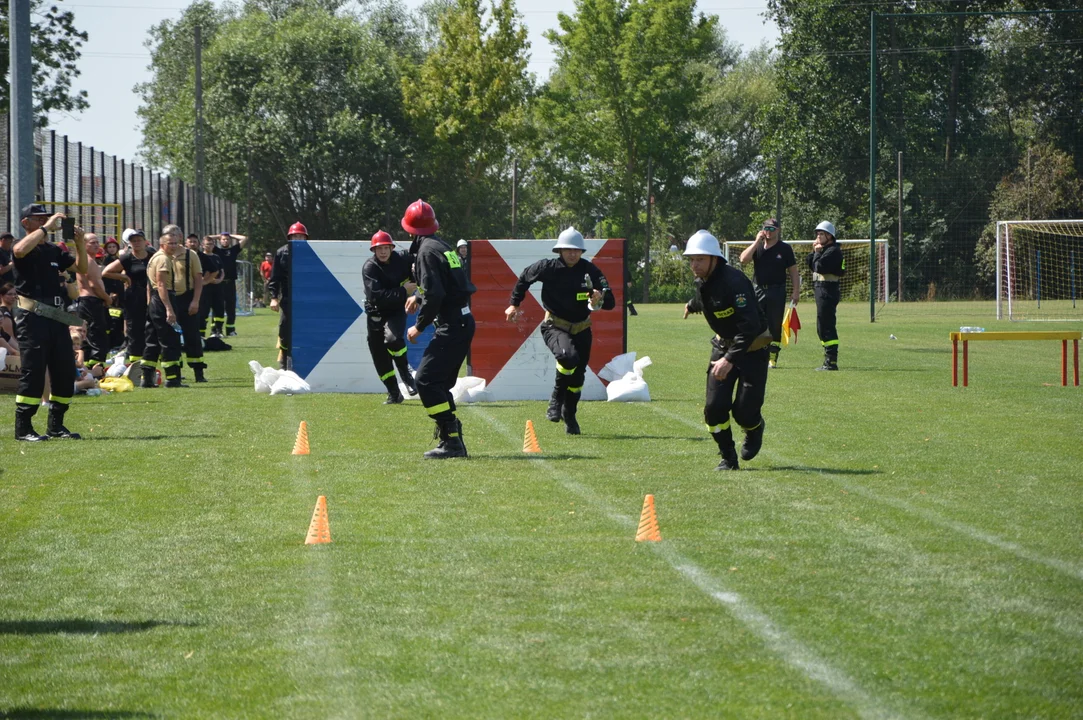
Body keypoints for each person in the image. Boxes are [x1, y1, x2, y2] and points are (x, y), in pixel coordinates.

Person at [505, 227, 615, 434]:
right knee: (567, 356)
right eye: (567, 250)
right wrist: (514, 304)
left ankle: (570, 414)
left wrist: (600, 299)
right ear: (560, 251)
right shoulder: (547, 267)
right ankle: (556, 399)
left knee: (578, 377)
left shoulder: (591, 270)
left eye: (576, 250)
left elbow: (610, 302)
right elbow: (524, 279)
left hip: (582, 328)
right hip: (554, 325)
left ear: (582, 251)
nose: (572, 254)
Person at [682, 229, 771, 471]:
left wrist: (729, 359)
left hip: (752, 349)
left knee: (744, 412)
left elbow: (750, 326)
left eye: (700, 259)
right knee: (713, 408)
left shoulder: (735, 282)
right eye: (691, 259)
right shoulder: (703, 282)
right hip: (723, 347)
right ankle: (728, 457)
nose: (694, 265)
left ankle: (754, 428)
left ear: (714, 259)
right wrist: (692, 305)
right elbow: (707, 300)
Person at [402, 199, 475, 459]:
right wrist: (419, 298)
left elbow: (435, 294)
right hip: (462, 322)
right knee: (439, 382)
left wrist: (419, 327)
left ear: (410, 230)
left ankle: (452, 440)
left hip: (453, 325)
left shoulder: (425, 252)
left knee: (425, 380)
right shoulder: (442, 247)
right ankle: (452, 436)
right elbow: (444, 287)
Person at [10, 203, 89, 441]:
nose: (47, 221)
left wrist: (80, 244)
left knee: (65, 370)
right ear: (26, 223)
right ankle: (23, 428)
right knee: (34, 371)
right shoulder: (22, 246)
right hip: (32, 316)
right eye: (40, 218)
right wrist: (46, 227)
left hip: (56, 315)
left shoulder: (54, 250)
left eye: (47, 217)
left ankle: (56, 426)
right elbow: (21, 250)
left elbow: (82, 268)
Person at [363, 230, 419, 404]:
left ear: (392, 248)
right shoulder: (370, 268)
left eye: (386, 248)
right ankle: (394, 394)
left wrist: (416, 281)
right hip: (375, 313)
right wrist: (404, 291)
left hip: (395, 310)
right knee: (379, 356)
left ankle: (407, 376)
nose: (383, 252)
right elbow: (377, 297)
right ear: (373, 250)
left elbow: (421, 258)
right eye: (379, 248)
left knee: (393, 339)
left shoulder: (403, 258)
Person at [142, 228, 202, 388]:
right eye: (170, 243)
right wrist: (169, 309)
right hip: (163, 299)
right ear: (162, 244)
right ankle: (173, 379)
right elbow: (161, 285)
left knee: (152, 340)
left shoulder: (155, 257)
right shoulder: (164, 259)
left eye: (176, 243)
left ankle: (146, 378)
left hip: (156, 300)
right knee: (170, 340)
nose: (174, 246)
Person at [739, 218, 800, 368]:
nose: (768, 231)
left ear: (778, 231)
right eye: (766, 228)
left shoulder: (784, 249)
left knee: (774, 324)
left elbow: (793, 272)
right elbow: (743, 260)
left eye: (772, 229)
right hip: (758, 289)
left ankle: (772, 357)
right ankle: (754, 354)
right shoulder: (758, 247)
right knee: (754, 321)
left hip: (776, 290)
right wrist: (756, 242)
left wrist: (796, 291)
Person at [103, 229, 152, 370]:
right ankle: (135, 367)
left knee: (152, 330)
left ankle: (152, 365)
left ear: (145, 241)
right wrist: (123, 277)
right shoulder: (127, 258)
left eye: (139, 240)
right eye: (133, 241)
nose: (136, 243)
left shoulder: (153, 256)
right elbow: (106, 272)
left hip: (152, 297)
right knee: (135, 331)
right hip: (133, 298)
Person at [268, 222, 307, 370]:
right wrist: (273, 297)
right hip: (288, 299)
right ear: (289, 238)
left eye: (300, 236)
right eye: (295, 236)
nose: (297, 239)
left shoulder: (313, 253)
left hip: (307, 299)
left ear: (305, 238)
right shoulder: (281, 252)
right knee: (284, 330)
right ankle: (284, 362)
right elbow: (275, 277)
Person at [74, 233, 113, 376]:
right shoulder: (88, 261)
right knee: (96, 337)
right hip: (90, 301)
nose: (97, 245)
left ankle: (92, 369)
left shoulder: (89, 260)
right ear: (83, 245)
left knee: (92, 336)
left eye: (97, 242)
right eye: (92, 242)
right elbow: (93, 285)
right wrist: (107, 298)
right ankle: (96, 370)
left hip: (91, 302)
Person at [808, 220, 844, 371]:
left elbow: (819, 267)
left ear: (829, 236)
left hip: (828, 289)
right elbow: (810, 263)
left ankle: (831, 361)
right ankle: (828, 359)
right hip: (821, 289)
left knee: (827, 325)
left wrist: (817, 253)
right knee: (821, 326)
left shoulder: (833, 251)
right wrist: (814, 252)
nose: (818, 237)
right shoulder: (824, 250)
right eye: (817, 234)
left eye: (821, 234)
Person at [213, 231, 249, 336]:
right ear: (220, 241)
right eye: (223, 239)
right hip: (218, 282)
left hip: (230, 283)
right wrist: (219, 235)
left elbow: (244, 238)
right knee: (218, 306)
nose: (225, 241)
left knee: (231, 307)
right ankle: (216, 330)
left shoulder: (233, 250)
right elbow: (207, 238)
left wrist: (231, 235)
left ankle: (230, 330)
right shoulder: (216, 250)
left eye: (227, 239)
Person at [101, 237, 125, 351]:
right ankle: (111, 343)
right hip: (110, 293)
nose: (111, 249)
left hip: (121, 293)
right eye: (109, 247)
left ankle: (119, 342)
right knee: (112, 320)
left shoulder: (120, 259)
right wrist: (110, 293)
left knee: (120, 319)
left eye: (113, 247)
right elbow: (106, 278)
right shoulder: (106, 261)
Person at [198, 235, 224, 337]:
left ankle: (217, 331)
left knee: (219, 308)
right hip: (205, 287)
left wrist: (220, 279)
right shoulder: (200, 257)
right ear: (203, 245)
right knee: (204, 310)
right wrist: (209, 280)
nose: (210, 246)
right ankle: (201, 332)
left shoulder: (216, 257)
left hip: (217, 287)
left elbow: (221, 271)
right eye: (207, 244)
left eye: (211, 244)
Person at [0, 281, 20, 357]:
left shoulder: (9, 312)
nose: (13, 296)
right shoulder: (4, 315)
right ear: (1, 296)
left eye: (15, 294)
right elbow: (10, 341)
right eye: (9, 294)